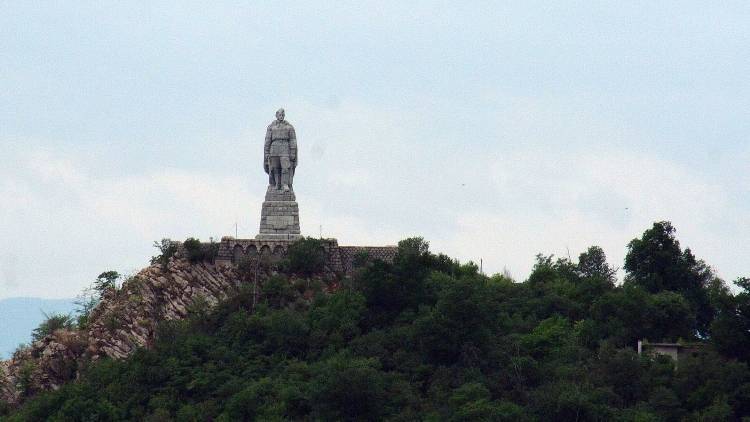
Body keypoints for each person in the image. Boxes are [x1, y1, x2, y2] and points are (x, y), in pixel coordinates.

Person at [263, 108, 297, 192]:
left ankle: (285, 184)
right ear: (276, 115)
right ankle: (276, 184)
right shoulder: (271, 127)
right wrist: (266, 152)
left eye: (282, 115)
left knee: (285, 167)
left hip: (285, 148)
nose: (281, 116)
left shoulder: (289, 127)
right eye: (279, 115)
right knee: (275, 168)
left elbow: (293, 140)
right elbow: (267, 140)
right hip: (274, 148)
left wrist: (293, 152)